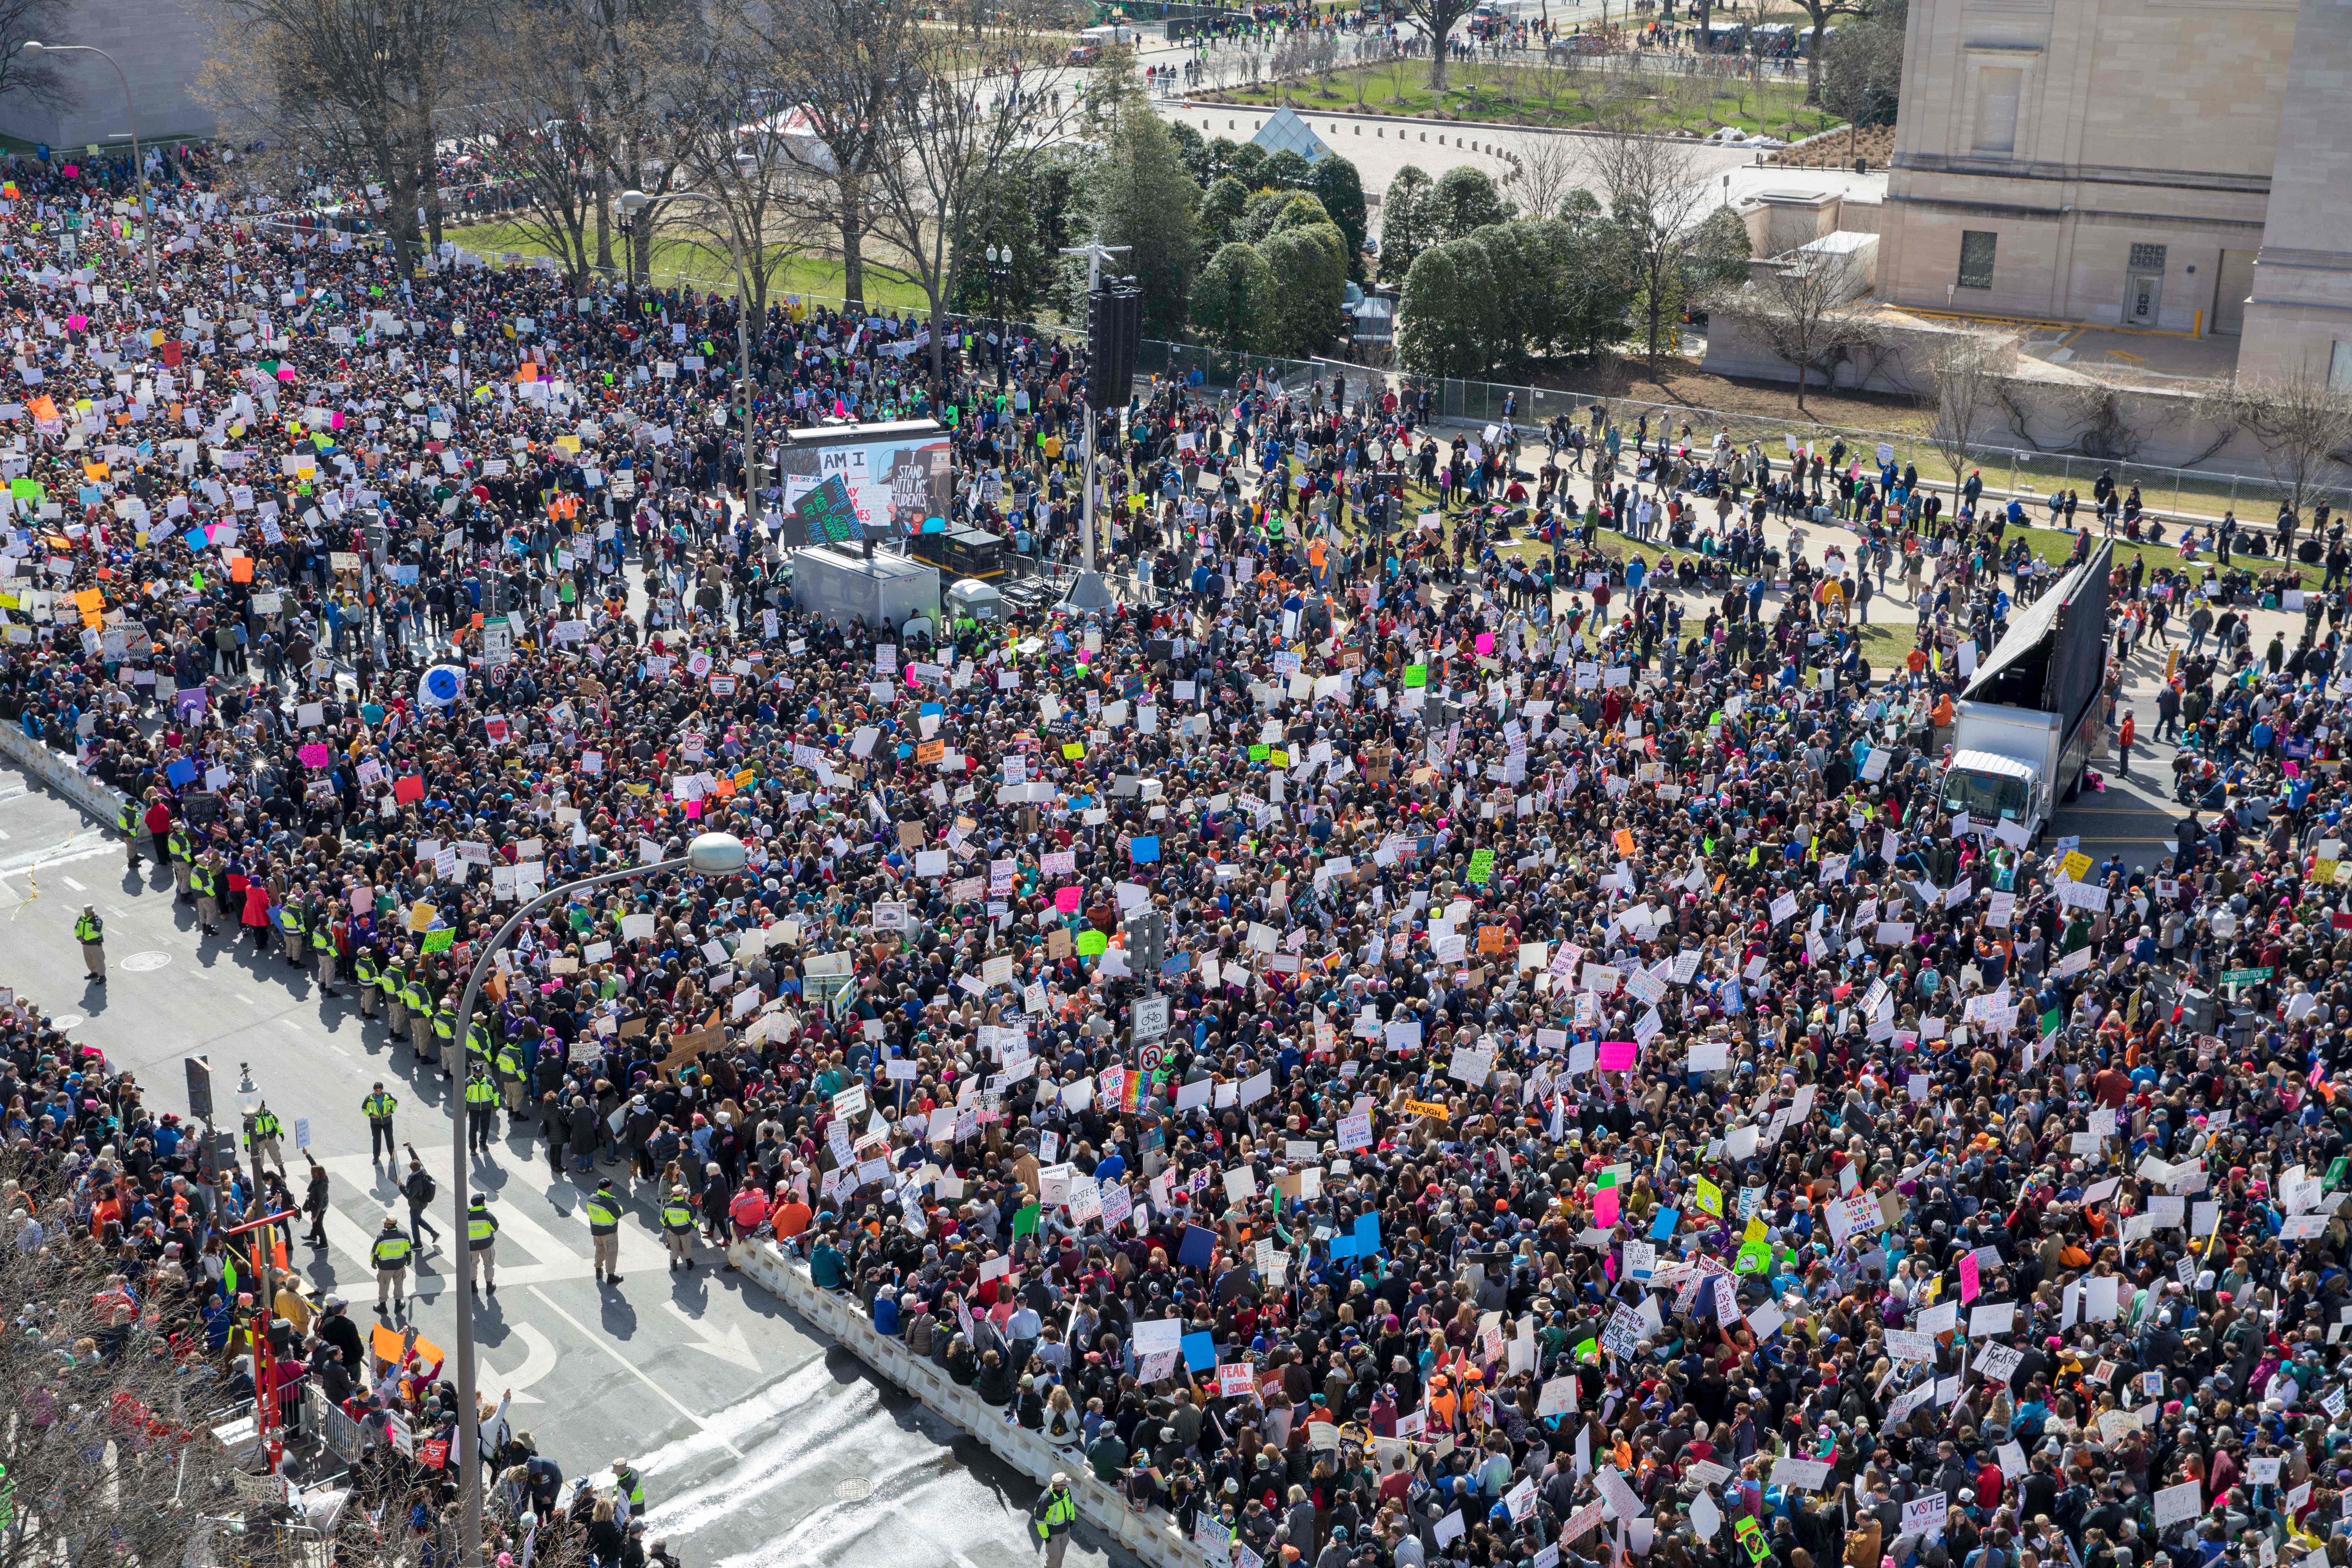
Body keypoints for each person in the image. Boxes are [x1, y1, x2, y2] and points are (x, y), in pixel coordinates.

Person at [370, 1213, 413, 1316]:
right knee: (399, 1284)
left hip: (385, 1267)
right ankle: (398, 1304)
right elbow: (409, 1249)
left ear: (389, 1226)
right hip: (399, 1266)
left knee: (384, 1285)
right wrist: (409, 1259)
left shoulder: (382, 1237)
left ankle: (383, 1306)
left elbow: (375, 1252)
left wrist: (374, 1261)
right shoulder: (404, 1235)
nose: (384, 1224)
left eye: (386, 1223)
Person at [1031, 1472, 1077, 1568]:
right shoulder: (1046, 1499)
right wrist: (1046, 1537)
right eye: (1065, 1484)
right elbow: (1039, 1520)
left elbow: (1071, 1504)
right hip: (1053, 1535)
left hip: (1065, 1531)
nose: (1067, 1486)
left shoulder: (1066, 1491)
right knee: (1054, 1557)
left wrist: (1072, 1519)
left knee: (1061, 1556)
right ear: (1060, 1486)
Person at [399, 1147, 441, 1250]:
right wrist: (410, 1148)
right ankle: (434, 1233)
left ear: (411, 1169)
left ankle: (418, 1244)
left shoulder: (416, 1182)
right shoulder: (422, 1170)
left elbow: (409, 1196)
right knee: (418, 1220)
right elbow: (416, 1158)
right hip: (421, 1203)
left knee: (414, 1224)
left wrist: (401, 1186)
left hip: (417, 1205)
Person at [587, 1176, 623, 1285]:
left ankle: (598, 1270)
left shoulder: (591, 1198)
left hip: (596, 1231)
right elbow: (619, 1214)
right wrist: (617, 1204)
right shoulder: (609, 1202)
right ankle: (611, 1276)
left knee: (600, 1250)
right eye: (610, 1186)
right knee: (611, 1253)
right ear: (608, 1188)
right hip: (609, 1232)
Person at [467, 1193, 499, 1296]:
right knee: (489, 1264)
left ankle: (473, 1287)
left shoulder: (466, 1216)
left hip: (472, 1246)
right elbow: (495, 1229)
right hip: (487, 1244)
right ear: (482, 1203)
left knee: (472, 1265)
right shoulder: (487, 1215)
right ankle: (489, 1287)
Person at [464, 1063, 500, 1154]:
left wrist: (496, 1105)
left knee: (485, 1127)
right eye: (477, 1072)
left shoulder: (489, 1080)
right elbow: (463, 1097)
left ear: (482, 1071)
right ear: (474, 1072)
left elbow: (496, 1094)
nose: (479, 1074)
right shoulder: (468, 1082)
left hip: (486, 1108)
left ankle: (483, 1144)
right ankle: (473, 1149)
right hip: (474, 1109)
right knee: (473, 1129)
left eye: (480, 1072)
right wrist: (465, 1109)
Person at [662, 1186, 697, 1273]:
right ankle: (689, 1264)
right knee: (687, 1247)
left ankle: (674, 1265)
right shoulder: (687, 1206)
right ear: (681, 1195)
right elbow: (693, 1220)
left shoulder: (668, 1206)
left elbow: (662, 1220)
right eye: (684, 1193)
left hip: (673, 1231)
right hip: (685, 1231)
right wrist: (696, 1226)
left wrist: (668, 1227)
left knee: (674, 1248)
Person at [363, 1084, 398, 1163]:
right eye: (376, 1091)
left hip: (387, 1122)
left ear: (382, 1090)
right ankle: (376, 1158)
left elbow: (395, 1103)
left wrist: (391, 1112)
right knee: (376, 1140)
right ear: (374, 1090)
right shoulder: (369, 1098)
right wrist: (371, 1115)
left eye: (380, 1090)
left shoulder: (389, 1096)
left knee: (389, 1139)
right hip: (375, 1123)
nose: (378, 1092)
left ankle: (392, 1156)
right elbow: (364, 1109)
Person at [74, 905, 104, 982]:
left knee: (99, 960)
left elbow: (96, 932)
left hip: (94, 944)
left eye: (93, 912)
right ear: (86, 912)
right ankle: (94, 972)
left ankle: (102, 976)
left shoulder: (97, 920)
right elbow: (77, 928)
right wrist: (78, 937)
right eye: (90, 912)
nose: (92, 913)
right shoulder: (82, 918)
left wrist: (84, 939)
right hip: (85, 944)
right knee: (89, 959)